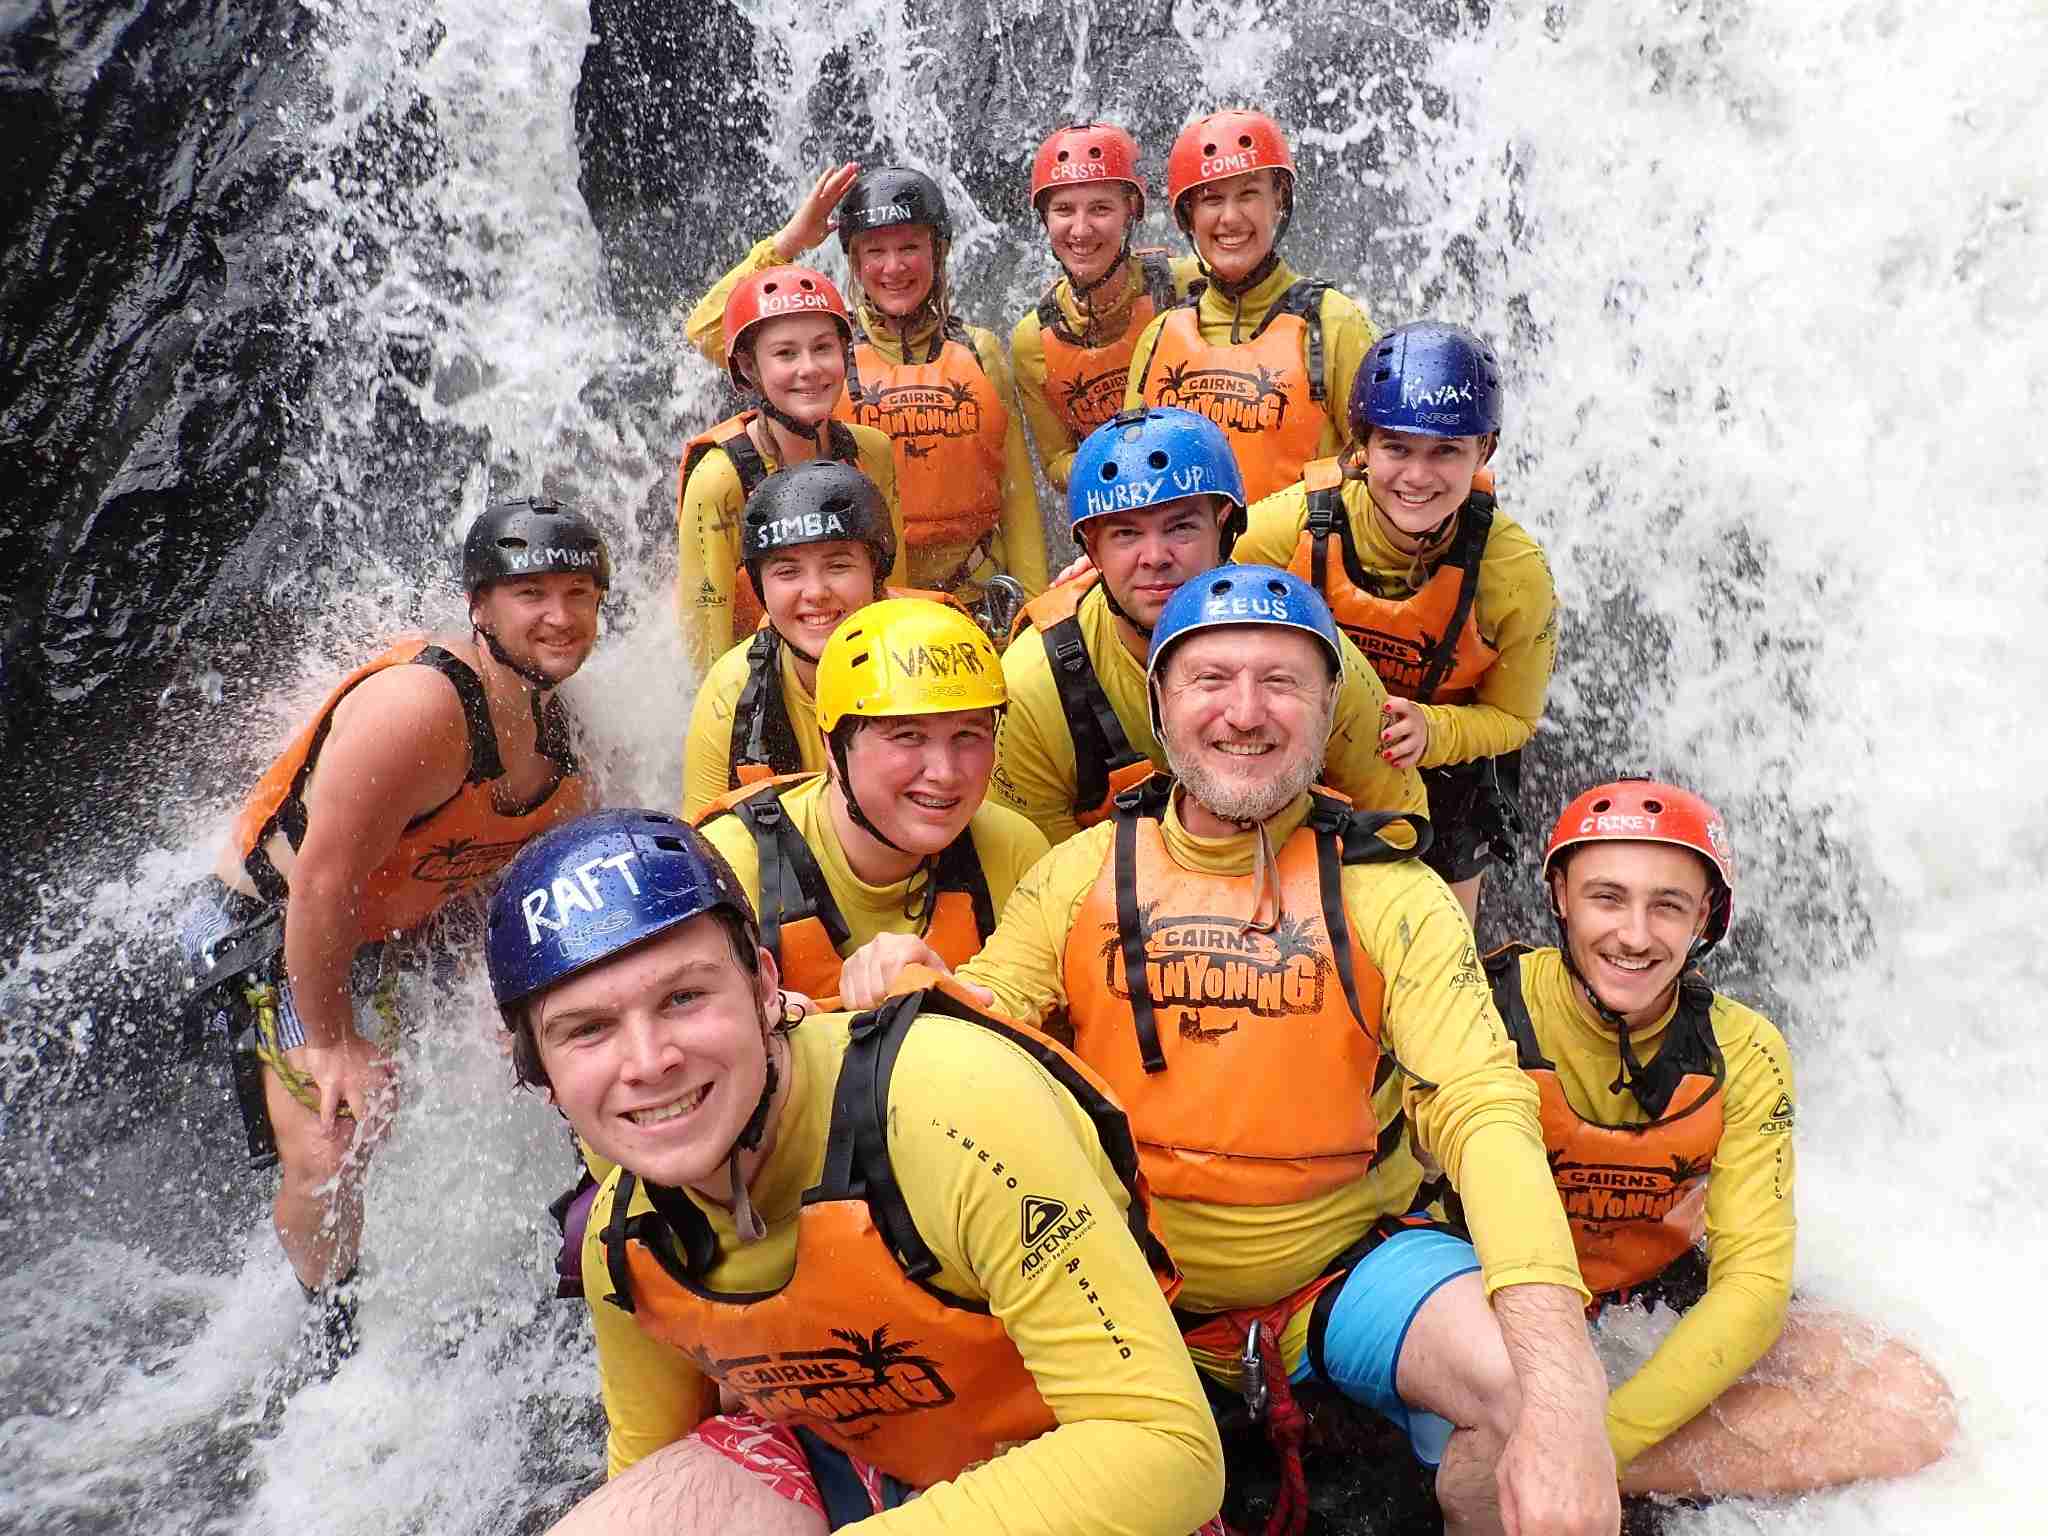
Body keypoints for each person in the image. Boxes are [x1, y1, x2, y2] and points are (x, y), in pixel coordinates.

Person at [840, 568, 1619, 1536]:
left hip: (1341, 1270)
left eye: (1280, 682)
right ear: (1160, 706)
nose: (1243, 712)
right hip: (1122, 1286)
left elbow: (1480, 1109)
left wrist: (1560, 1398)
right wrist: (897, 977)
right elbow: (974, 1027)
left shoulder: (1390, 893)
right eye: (1209, 679)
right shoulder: (1077, 873)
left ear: (1327, 707)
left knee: (1528, 1401)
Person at [484, 811, 1226, 1535]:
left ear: (765, 987)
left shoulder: (953, 1111)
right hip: (860, 1466)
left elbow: (1165, 1451)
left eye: (683, 997)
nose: (649, 1063)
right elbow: (647, 1477)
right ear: (541, 1074)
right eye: (588, 1030)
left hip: (1078, 1481)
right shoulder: (625, 1245)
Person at [178, 498, 607, 1351]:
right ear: (480, 606)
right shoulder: (419, 708)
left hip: (419, 920)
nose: (557, 616)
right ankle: (328, 1337)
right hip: (278, 925)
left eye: (577, 593)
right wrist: (333, 1038)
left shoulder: (561, 725)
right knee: (334, 1143)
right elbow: (322, 883)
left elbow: (535, 874)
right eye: (530, 593)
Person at [1482, 778, 1955, 1497]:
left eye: (1667, 906)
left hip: (1648, 1289)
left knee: (1913, 1404)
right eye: (1607, 898)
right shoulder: (1483, 1005)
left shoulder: (1746, 1048)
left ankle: (1598, 1475)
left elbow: (1754, 1284)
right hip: (1502, 1305)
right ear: (1559, 896)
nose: (1635, 936)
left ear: (1706, 916)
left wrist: (1596, 1445)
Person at [1233, 321, 1557, 926]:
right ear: (1361, 446)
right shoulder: (1294, 526)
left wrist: (1433, 731)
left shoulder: (1514, 574)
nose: (1417, 476)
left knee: (1443, 941)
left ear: (1483, 451)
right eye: (1397, 448)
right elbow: (1197, 568)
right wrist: (1099, 576)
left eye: (1446, 451)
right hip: (1312, 755)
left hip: (1444, 774)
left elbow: (1515, 719)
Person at [993, 406, 1426, 848]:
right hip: (1121, 906)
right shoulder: (1034, 685)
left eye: (1180, 528)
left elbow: (1401, 828)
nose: (1155, 556)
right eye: (1125, 534)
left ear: (1223, 527)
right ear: (1092, 550)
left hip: (1293, 897)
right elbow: (1034, 884)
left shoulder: (1310, 653)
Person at [686, 164, 1045, 612]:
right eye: (875, 251)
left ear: (938, 252)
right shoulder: (822, 355)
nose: (893, 267)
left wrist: (1033, 606)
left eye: (910, 247)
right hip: (860, 594)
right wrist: (788, 243)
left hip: (976, 592)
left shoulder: (980, 350)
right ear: (854, 261)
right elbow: (706, 332)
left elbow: (1018, 495)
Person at [695, 596, 1050, 1005]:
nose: (945, 773)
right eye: (907, 736)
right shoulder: (729, 868)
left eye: (968, 735)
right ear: (832, 746)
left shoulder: (1016, 852)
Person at [1123, 110, 1378, 503]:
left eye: (1248, 194)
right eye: (1211, 199)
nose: (1230, 218)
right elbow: (1130, 482)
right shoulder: (1158, 336)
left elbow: (1382, 469)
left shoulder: (1333, 323)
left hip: (1301, 561)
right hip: (1185, 564)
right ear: (1187, 217)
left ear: (1278, 201)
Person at [676, 264, 902, 676]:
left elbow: (889, 592)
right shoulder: (720, 480)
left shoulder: (872, 451)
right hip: (764, 685)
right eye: (785, 353)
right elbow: (707, 646)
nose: (809, 368)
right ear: (748, 368)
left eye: (822, 348)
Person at [682, 459, 899, 819]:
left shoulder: (935, 657)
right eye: (787, 571)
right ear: (761, 587)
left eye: (838, 565)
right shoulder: (732, 690)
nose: (814, 592)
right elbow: (702, 843)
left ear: (875, 573)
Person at [1009, 122, 1201, 491]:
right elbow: (1056, 463)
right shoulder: (1031, 340)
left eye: (1100, 208)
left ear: (1130, 213)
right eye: (1064, 210)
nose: (1080, 230)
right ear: (1045, 219)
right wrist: (1124, 459)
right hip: (1116, 502)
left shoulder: (1186, 285)